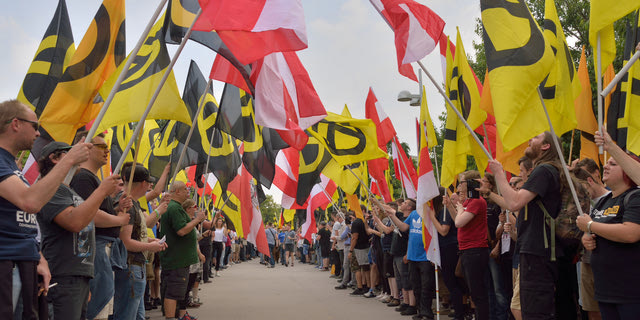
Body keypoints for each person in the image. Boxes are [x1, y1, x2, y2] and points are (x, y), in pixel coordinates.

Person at [0, 100, 90, 319]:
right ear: (15, 124)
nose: (38, 133)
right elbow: (29, 202)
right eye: (35, 126)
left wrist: (37, 257)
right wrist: (68, 161)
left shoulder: (11, 165)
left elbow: (21, 220)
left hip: (24, 263)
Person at [36, 141, 120, 319]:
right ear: (54, 158)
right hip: (63, 275)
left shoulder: (68, 191)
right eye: (70, 152)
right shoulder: (52, 188)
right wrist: (102, 191)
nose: (82, 155)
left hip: (78, 276)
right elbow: (74, 222)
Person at [486, 132, 563, 319]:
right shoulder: (547, 169)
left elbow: (514, 203)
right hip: (538, 251)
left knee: (534, 312)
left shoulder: (544, 170)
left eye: (536, 137)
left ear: (546, 146)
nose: (529, 139)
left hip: (538, 252)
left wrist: (499, 174)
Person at [69, 131, 131, 320]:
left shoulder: (93, 179)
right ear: (86, 147)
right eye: (101, 146)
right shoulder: (83, 178)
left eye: (107, 147)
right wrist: (119, 220)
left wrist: (116, 208)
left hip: (103, 249)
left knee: (104, 303)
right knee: (98, 304)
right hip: (95, 247)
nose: (107, 151)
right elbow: (89, 215)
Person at [577, 155, 640, 320]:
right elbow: (595, 229)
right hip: (605, 291)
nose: (605, 166)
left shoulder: (635, 197)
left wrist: (590, 226)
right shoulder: (603, 201)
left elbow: (631, 233)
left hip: (630, 294)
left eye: (613, 164)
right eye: (607, 162)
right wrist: (586, 237)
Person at [113, 163, 168, 320]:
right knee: (127, 314)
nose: (150, 186)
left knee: (138, 314)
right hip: (131, 266)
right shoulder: (128, 205)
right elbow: (126, 242)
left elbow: (136, 235)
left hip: (137, 266)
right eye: (149, 182)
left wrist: (152, 240)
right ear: (144, 183)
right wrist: (150, 246)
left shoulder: (134, 203)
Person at [445, 170, 489, 320]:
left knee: (478, 292)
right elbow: (458, 222)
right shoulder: (469, 202)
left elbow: (459, 221)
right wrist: (451, 207)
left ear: (470, 183)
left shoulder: (476, 201)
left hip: (475, 250)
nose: (459, 186)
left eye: (461, 182)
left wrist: (459, 209)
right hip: (467, 249)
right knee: (472, 289)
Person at [158, 181, 204, 320]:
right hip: (177, 260)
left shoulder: (174, 207)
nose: (188, 192)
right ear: (177, 191)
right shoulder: (175, 208)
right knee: (173, 293)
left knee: (174, 292)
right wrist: (198, 220)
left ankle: (176, 316)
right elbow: (182, 230)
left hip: (177, 259)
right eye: (185, 189)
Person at [426, 188, 464, 320]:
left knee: (452, 283)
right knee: (451, 283)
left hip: (450, 249)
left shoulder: (445, 211)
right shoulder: (439, 211)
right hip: (444, 249)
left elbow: (443, 231)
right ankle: (460, 311)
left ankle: (460, 313)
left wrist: (432, 218)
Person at [385, 198, 424, 317]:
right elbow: (401, 227)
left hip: (406, 254)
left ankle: (413, 305)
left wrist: (407, 253)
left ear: (410, 207)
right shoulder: (410, 216)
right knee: (401, 280)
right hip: (398, 253)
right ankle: (406, 302)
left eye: (405, 203)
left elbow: (408, 237)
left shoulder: (410, 216)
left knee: (408, 280)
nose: (402, 204)